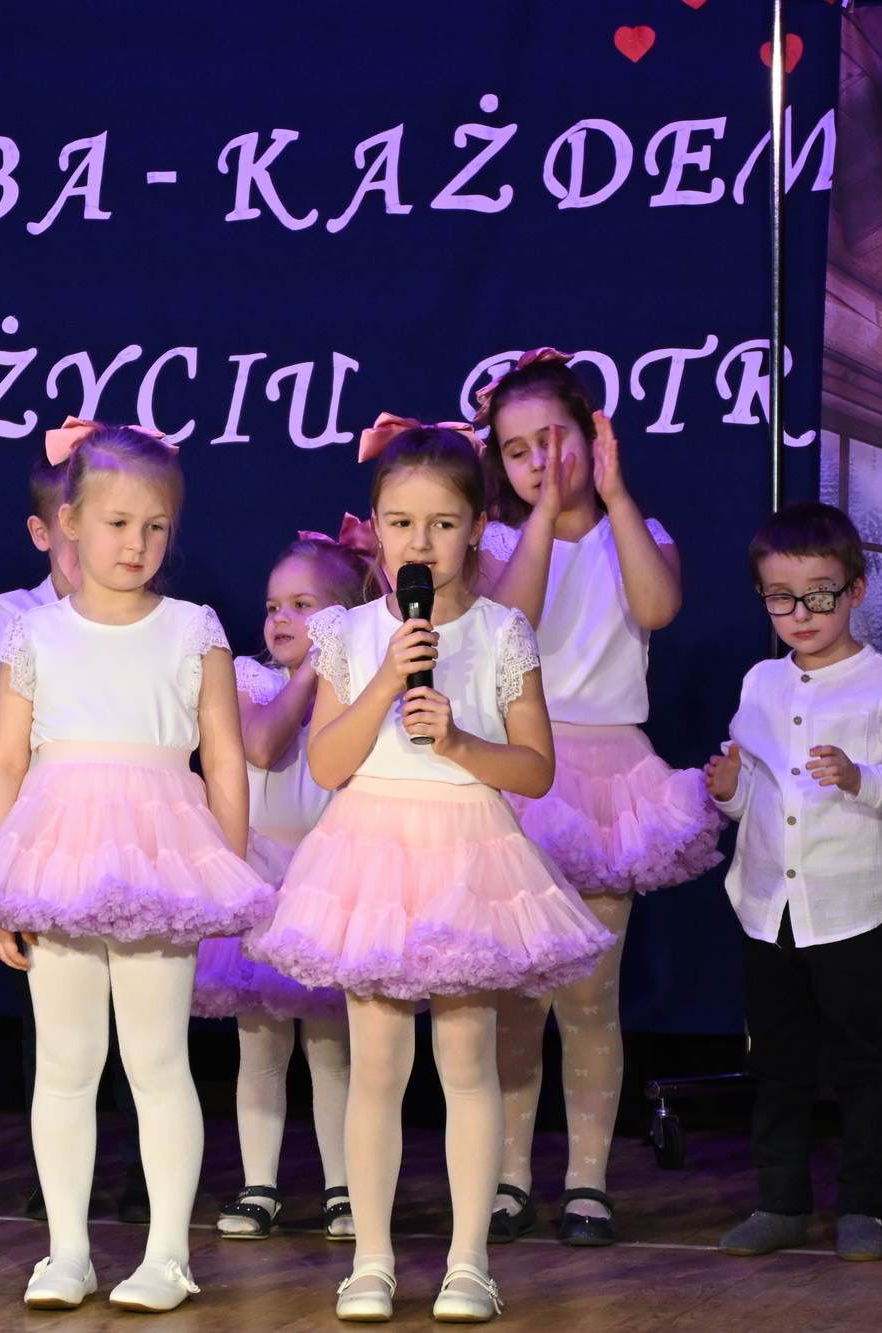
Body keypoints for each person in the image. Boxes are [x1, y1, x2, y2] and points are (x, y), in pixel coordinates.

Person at [249, 416, 613, 1324]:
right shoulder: (347, 631)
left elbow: (535, 768)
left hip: (466, 851)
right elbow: (327, 762)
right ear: (375, 528)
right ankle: (370, 1258)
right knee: (376, 1063)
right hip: (370, 851)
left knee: (466, 1059)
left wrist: (457, 740)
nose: (421, 542)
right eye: (402, 522)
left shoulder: (502, 631)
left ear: (477, 526)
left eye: (443, 523)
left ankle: (468, 1261)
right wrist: (385, 679)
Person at [0, 420, 273, 1313]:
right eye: (118, 523)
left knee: (156, 1060)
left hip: (161, 857)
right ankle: (68, 1250)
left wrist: (227, 875)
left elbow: (223, 759)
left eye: (155, 527)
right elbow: (4, 761)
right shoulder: (35, 633)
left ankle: (167, 1254)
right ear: (70, 522)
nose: (136, 544)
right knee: (66, 1062)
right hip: (60, 856)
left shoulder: (192, 629)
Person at [474, 349, 723, 1246]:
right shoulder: (496, 545)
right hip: (525, 769)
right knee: (516, 1000)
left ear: (593, 435)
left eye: (554, 440)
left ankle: (587, 1180)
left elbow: (656, 609)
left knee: (589, 995)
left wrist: (614, 499)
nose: (540, 461)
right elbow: (511, 623)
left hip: (613, 775)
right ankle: (508, 1177)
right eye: (517, 451)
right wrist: (541, 515)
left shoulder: (638, 531)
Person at [706, 501, 882, 1263]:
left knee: (861, 1060)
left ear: (855, 589)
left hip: (848, 904)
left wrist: (859, 775)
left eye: (819, 594)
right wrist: (728, 790)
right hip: (766, 904)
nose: (801, 614)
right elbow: (752, 794)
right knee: (777, 1061)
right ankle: (779, 1202)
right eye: (781, 597)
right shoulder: (761, 682)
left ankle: (865, 1206)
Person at [192, 528, 371, 1242]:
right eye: (273, 607)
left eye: (304, 605)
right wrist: (311, 668)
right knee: (261, 1045)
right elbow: (262, 745)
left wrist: (338, 665)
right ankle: (259, 1185)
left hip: (326, 882)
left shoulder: (356, 693)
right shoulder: (247, 677)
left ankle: (343, 1188)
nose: (281, 619)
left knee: (332, 1049)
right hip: (262, 882)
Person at [0, 451, 146, 1225]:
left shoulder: (162, 619)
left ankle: (146, 1176)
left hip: (136, 834)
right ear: (49, 529)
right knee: (55, 1036)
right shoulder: (21, 617)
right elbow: (10, 744)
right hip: (52, 837)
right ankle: (60, 1193)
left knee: (144, 1032)